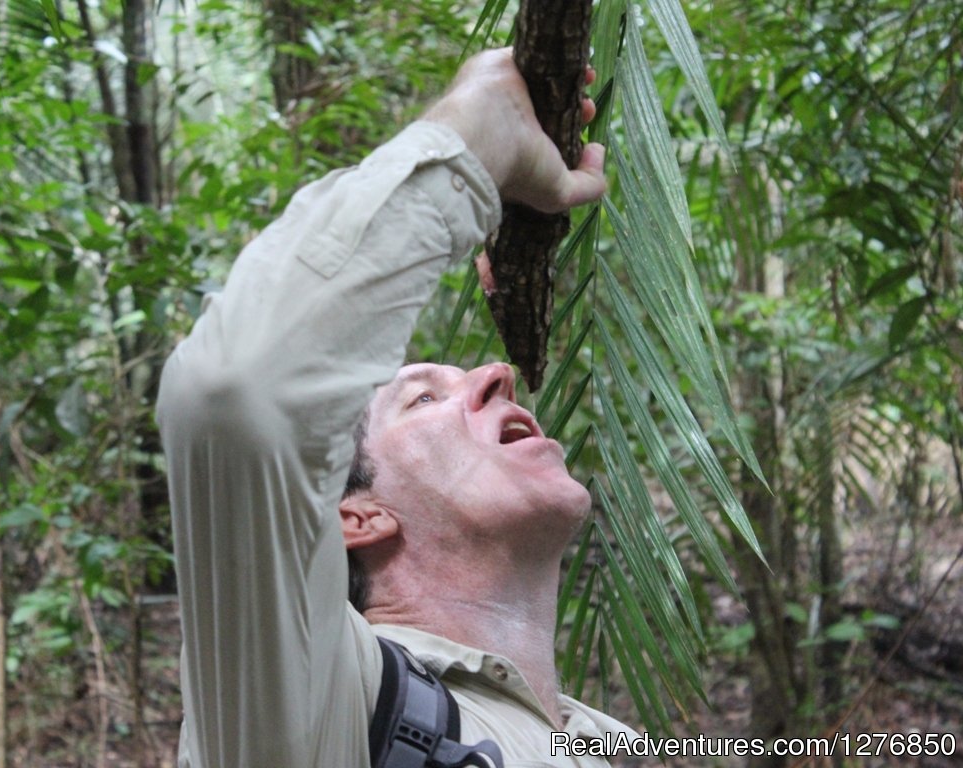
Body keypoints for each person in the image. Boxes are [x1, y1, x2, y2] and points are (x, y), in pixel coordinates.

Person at [157, 48, 638, 767]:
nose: (498, 377)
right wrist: (474, 145)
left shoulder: (615, 747)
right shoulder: (324, 704)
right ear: (355, 517)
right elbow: (238, 392)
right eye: (423, 397)